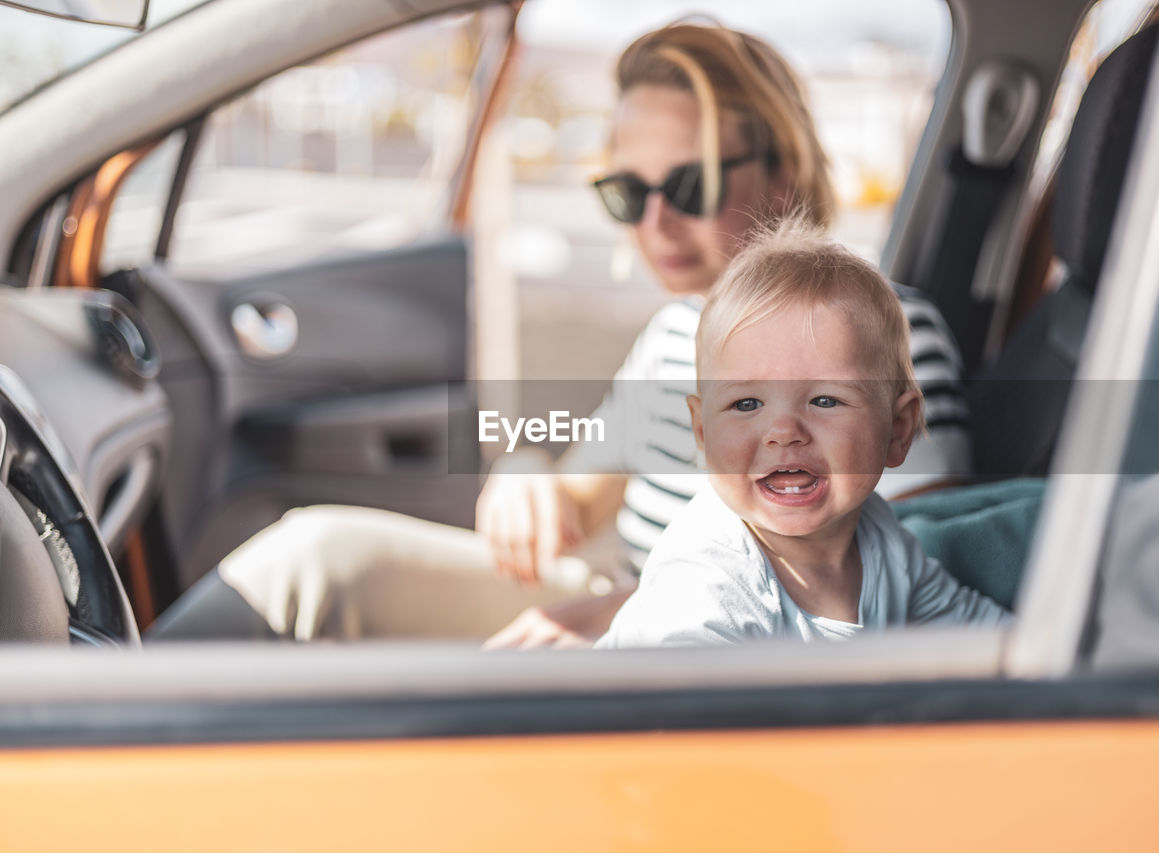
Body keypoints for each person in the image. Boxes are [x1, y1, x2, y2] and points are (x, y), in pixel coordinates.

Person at [148, 21, 971, 646]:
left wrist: (632, 610)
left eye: (690, 182)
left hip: (707, 643)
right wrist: (527, 469)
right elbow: (580, 499)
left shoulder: (888, 332)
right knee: (311, 555)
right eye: (627, 191)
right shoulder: (671, 334)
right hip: (630, 600)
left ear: (784, 167)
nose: (654, 222)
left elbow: (885, 581)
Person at [597, 220, 1006, 647]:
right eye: (746, 404)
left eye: (825, 401)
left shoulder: (883, 540)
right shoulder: (706, 586)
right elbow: (681, 710)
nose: (783, 432)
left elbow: (981, 633)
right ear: (702, 433)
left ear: (897, 431)